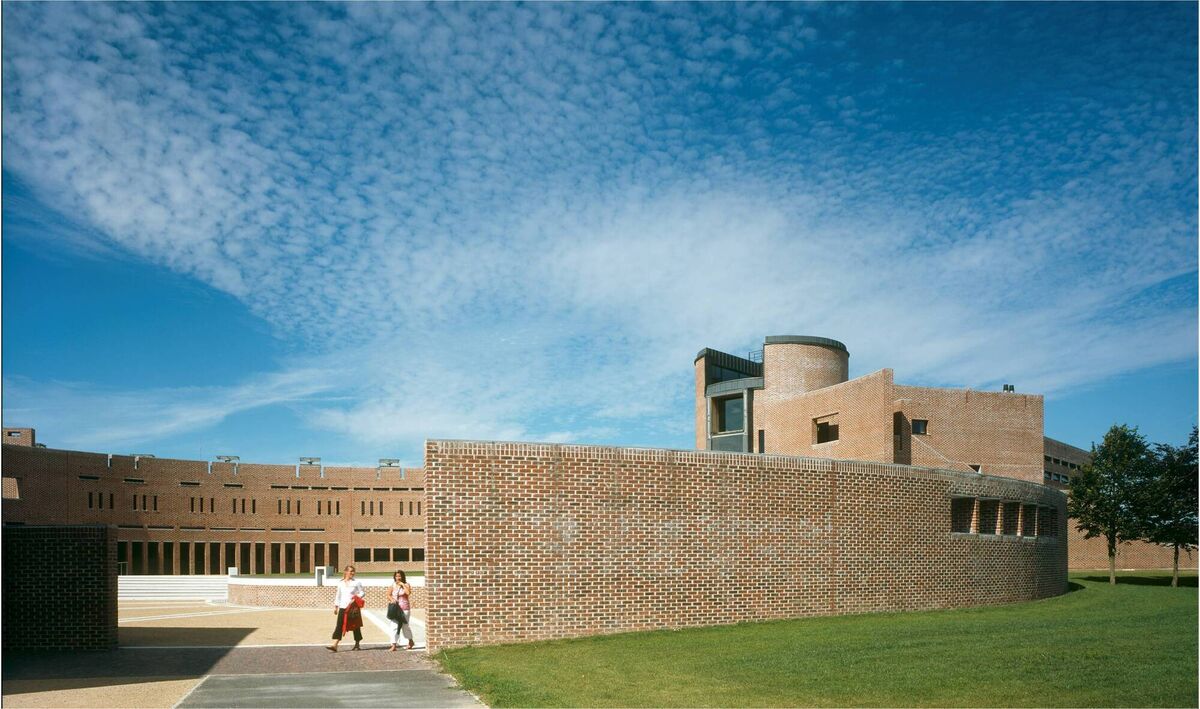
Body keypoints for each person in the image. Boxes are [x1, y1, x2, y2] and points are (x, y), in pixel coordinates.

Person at [327, 565, 365, 652]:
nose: (352, 573)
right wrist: (336, 606)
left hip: (353, 608)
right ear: (346, 572)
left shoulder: (356, 582)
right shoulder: (340, 583)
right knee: (339, 625)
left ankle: (357, 644)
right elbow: (338, 595)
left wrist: (355, 598)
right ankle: (335, 645)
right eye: (350, 571)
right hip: (343, 607)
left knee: (355, 626)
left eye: (353, 571)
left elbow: (362, 593)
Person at [388, 569, 415, 651]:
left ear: (402, 577)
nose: (398, 577)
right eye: (396, 576)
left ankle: (410, 641)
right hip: (395, 609)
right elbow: (388, 595)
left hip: (405, 608)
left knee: (405, 626)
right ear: (394, 577)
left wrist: (402, 584)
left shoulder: (406, 584)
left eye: (399, 576)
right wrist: (392, 599)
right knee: (394, 626)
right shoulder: (392, 585)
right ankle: (393, 645)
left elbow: (408, 593)